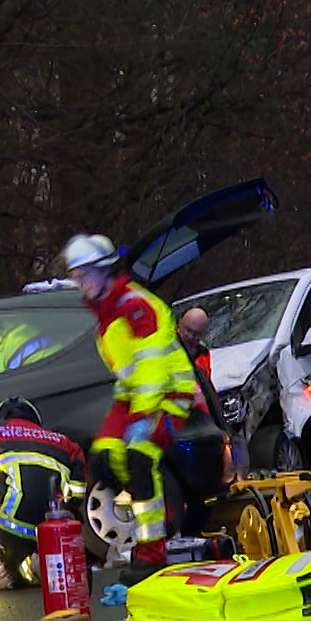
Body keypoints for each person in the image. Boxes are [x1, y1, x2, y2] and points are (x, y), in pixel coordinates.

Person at [61, 232, 196, 583]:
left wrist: (140, 418)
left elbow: (152, 367)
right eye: (77, 275)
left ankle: (153, 553)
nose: (81, 282)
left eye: (86, 273)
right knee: (103, 460)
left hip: (168, 394)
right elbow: (131, 373)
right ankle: (159, 522)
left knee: (139, 461)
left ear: (105, 271)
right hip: (134, 396)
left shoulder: (134, 306)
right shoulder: (107, 315)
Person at [0, 397, 87, 590]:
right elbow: (77, 492)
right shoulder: (63, 442)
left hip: (5, 523)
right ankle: (33, 563)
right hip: (48, 530)